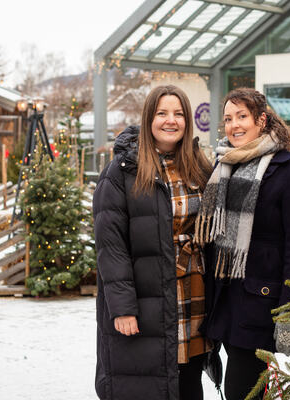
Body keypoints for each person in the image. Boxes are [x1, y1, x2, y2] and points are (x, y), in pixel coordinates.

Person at [93, 85, 213, 400]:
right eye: (162, 113)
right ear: (149, 119)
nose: (170, 121)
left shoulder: (200, 166)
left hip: (192, 296)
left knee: (188, 383)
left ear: (188, 121)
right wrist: (122, 308)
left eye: (178, 114)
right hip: (146, 302)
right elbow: (111, 246)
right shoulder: (122, 172)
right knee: (145, 385)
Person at [196, 88, 290, 400]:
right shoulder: (223, 166)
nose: (234, 125)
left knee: (241, 390)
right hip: (224, 300)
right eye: (228, 119)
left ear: (261, 120)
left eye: (242, 116)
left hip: (261, 305)